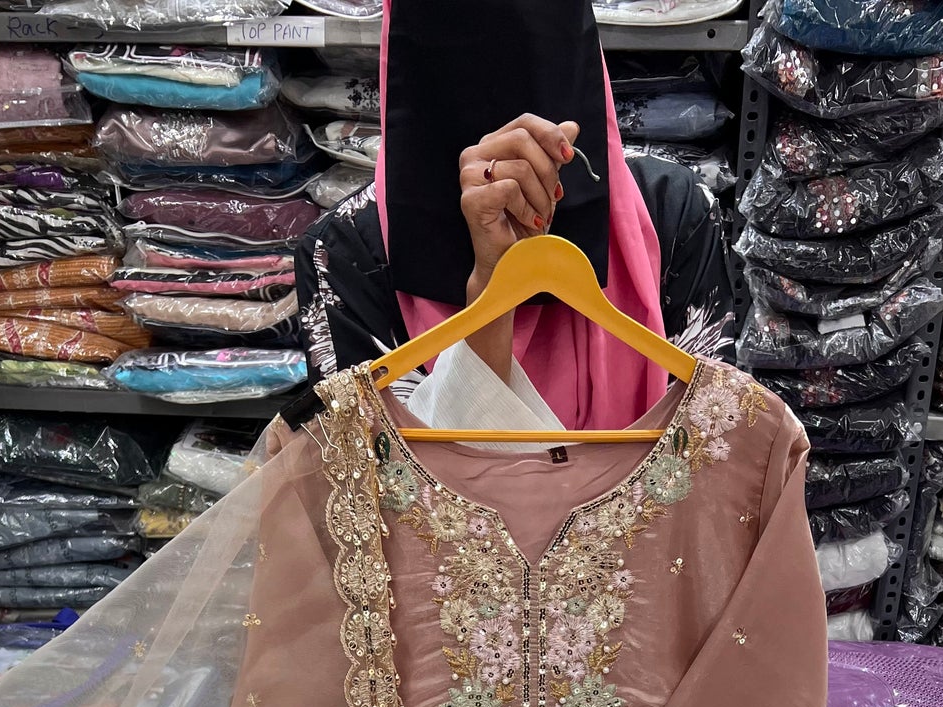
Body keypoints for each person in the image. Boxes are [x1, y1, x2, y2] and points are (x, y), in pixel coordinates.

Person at [293, 0, 734, 431]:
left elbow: (716, 447)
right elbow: (373, 471)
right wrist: (493, 291)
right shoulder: (341, 254)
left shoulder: (673, 213)